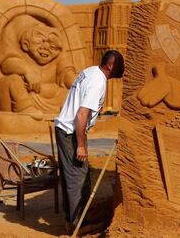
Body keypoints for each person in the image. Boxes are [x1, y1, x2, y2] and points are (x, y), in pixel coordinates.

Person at [54, 50, 124, 234]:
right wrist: (81, 145)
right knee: (78, 178)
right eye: (119, 66)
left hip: (66, 128)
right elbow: (81, 114)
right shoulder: (98, 81)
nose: (121, 70)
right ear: (110, 65)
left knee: (74, 175)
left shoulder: (91, 71)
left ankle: (73, 220)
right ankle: (79, 225)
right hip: (71, 132)